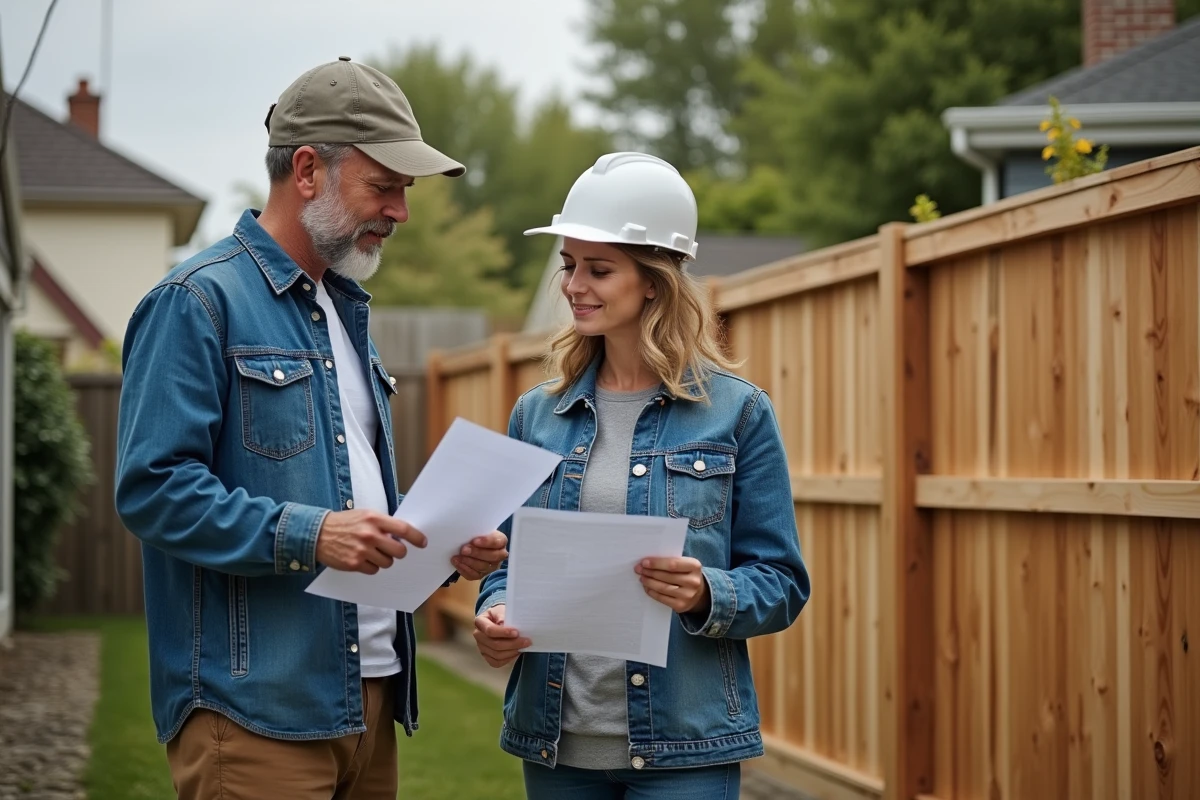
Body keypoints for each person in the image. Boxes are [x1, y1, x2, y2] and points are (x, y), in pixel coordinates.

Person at [114, 57, 508, 799]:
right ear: (306, 170)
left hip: (370, 697)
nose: (400, 211)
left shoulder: (346, 311)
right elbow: (153, 490)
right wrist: (313, 535)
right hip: (254, 710)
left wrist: (442, 548)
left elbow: (342, 495)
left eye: (405, 191)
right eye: (384, 186)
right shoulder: (197, 301)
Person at [471, 152, 812, 799]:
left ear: (654, 280)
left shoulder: (738, 413)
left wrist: (706, 592)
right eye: (570, 265)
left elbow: (782, 583)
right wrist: (494, 612)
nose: (574, 285)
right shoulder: (536, 414)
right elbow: (504, 560)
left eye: (599, 269)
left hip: (686, 751)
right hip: (555, 746)